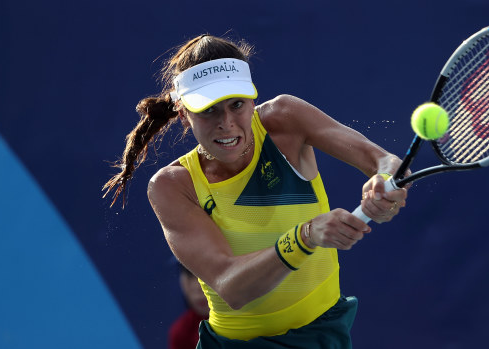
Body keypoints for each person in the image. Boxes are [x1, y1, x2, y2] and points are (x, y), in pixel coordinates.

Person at [103, 34, 409, 348]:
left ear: (252, 100)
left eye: (237, 105)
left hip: (322, 334)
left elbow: (385, 161)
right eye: (209, 110)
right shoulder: (172, 185)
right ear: (184, 113)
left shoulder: (285, 118)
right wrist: (305, 236)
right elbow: (230, 286)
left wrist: (385, 184)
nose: (226, 123)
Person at [169, 261, 210, 349]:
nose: (198, 286)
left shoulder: (244, 319)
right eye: (190, 275)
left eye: (206, 274)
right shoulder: (181, 332)